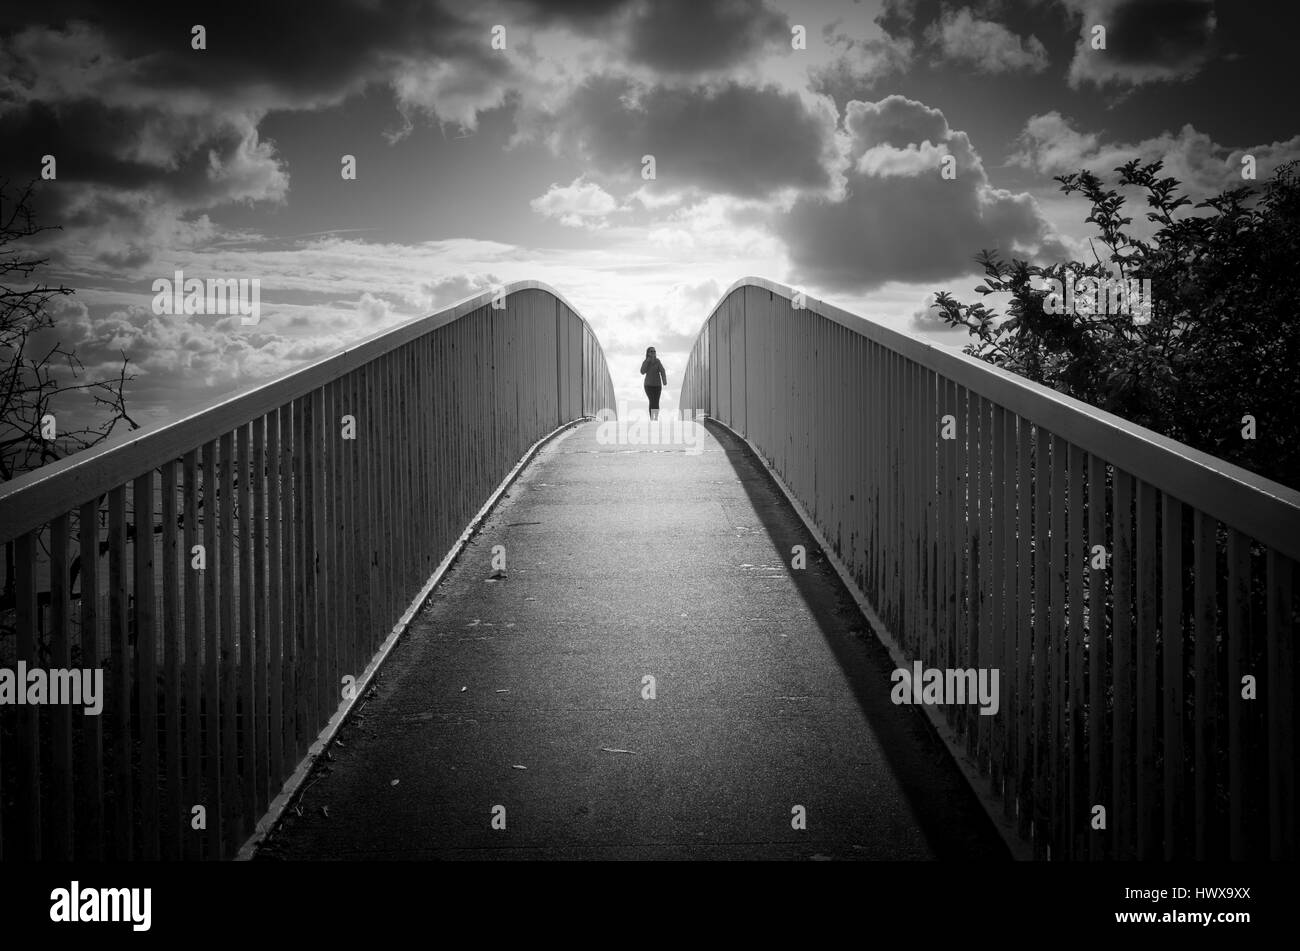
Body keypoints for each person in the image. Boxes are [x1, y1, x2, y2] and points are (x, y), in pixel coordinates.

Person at [640, 346, 667, 420]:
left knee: (656, 402)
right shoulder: (646, 362)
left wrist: (664, 381)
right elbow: (642, 371)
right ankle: (652, 419)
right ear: (648, 353)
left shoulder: (657, 361)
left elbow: (662, 371)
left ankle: (655, 418)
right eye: (651, 351)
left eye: (654, 351)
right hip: (648, 386)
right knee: (652, 401)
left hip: (657, 385)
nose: (653, 353)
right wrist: (647, 361)